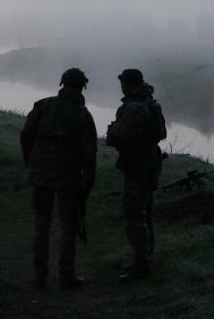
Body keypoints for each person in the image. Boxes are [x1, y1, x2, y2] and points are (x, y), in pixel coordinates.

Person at [20, 68, 97, 290]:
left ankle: (39, 276)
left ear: (62, 83)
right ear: (82, 86)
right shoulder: (83, 114)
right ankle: (66, 276)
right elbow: (89, 152)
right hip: (68, 176)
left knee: (41, 225)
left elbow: (26, 135)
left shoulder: (43, 105)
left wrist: (30, 162)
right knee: (68, 226)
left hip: (41, 173)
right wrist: (88, 182)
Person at [106, 68, 167, 283]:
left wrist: (112, 132)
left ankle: (141, 266)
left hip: (137, 166)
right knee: (146, 212)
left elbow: (125, 136)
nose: (120, 86)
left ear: (127, 84)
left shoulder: (134, 107)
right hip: (149, 164)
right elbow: (161, 133)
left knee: (134, 215)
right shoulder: (151, 103)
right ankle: (145, 259)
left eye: (122, 82)